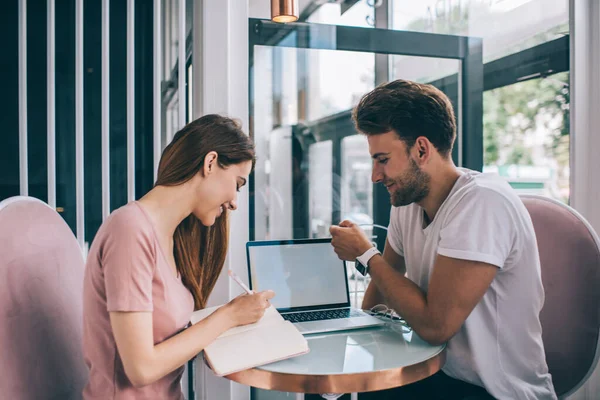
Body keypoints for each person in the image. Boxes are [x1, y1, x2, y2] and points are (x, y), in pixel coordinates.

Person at [329, 80, 557, 400]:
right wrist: (355, 354)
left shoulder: (482, 203)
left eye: (382, 159)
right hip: (439, 373)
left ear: (421, 149)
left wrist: (366, 255)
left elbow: (435, 326)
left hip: (494, 390)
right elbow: (381, 291)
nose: (375, 176)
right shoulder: (408, 205)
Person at [82, 114, 275, 399]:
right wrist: (229, 316)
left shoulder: (171, 239)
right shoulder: (130, 230)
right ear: (210, 163)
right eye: (237, 183)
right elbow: (141, 369)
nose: (234, 201)